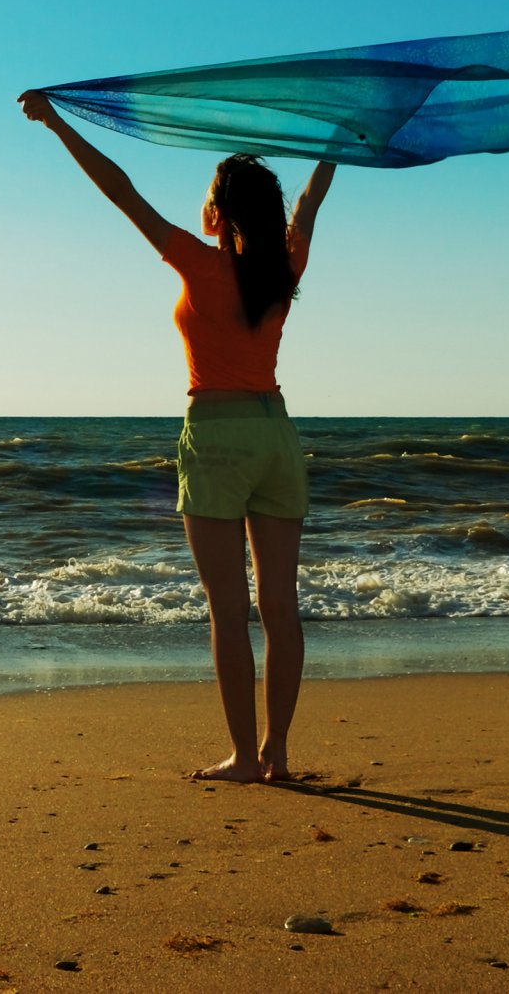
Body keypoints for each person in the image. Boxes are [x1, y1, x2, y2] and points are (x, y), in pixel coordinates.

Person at [18, 89, 335, 783]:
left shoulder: (199, 262)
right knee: (279, 605)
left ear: (218, 212)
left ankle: (246, 758)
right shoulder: (285, 267)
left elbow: (121, 192)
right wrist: (343, 137)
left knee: (229, 611)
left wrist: (57, 122)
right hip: (276, 433)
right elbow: (309, 202)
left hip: (216, 432)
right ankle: (280, 753)